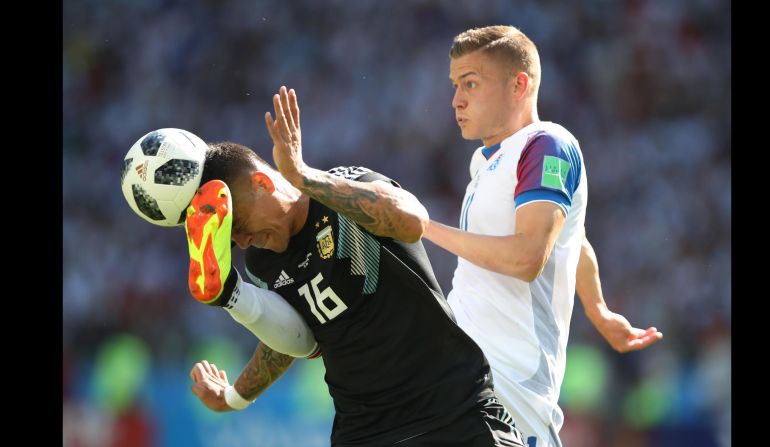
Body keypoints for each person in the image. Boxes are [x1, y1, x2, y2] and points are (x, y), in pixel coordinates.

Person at [186, 86, 527, 447]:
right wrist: (233, 397)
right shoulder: (262, 260)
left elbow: (413, 222)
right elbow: (293, 336)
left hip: (451, 413)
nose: (241, 241)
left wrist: (303, 177)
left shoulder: (345, 188)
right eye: (231, 236)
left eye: (238, 225)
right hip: (364, 433)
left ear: (262, 183)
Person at [421, 26, 663, 447]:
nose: (456, 100)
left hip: (513, 394)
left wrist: (422, 228)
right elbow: (574, 238)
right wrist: (599, 310)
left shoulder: (546, 144)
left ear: (519, 84)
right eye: (456, 85)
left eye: (471, 83)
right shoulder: (484, 164)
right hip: (467, 383)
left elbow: (529, 257)